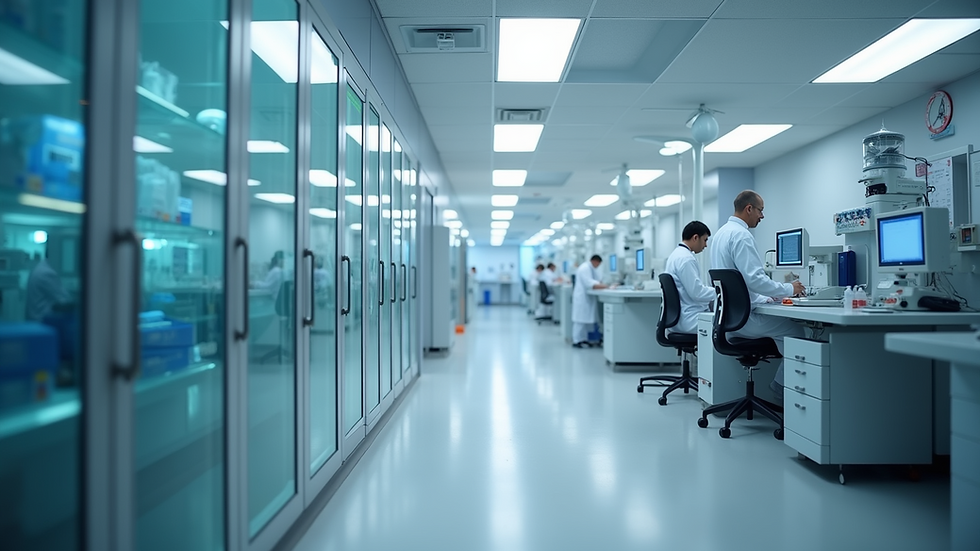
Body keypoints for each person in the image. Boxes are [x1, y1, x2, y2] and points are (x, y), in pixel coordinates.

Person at [711, 190, 806, 394]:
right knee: (797, 331)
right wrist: (790, 288)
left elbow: (741, 283)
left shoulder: (721, 234)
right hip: (745, 321)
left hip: (729, 319)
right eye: (760, 211)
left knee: (787, 329)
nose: (762, 216)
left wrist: (767, 296)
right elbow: (754, 279)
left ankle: (782, 387)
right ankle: (781, 388)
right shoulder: (741, 235)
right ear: (749, 209)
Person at [665, 221, 715, 335]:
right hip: (690, 319)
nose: (706, 245)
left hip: (678, 318)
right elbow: (697, 293)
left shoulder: (675, 255)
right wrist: (722, 292)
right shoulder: (686, 259)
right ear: (695, 237)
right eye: (705, 240)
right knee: (727, 324)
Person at [571, 255, 610, 348]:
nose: (598, 266)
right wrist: (607, 286)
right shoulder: (585, 268)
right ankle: (577, 340)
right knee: (580, 320)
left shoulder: (589, 268)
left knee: (583, 320)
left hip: (585, 298)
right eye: (598, 264)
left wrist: (603, 284)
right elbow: (589, 283)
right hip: (582, 298)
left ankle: (583, 339)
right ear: (595, 261)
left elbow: (596, 281)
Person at [25, 250, 71, 322]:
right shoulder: (47, 273)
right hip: (42, 321)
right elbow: (64, 300)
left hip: (35, 318)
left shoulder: (41, 267)